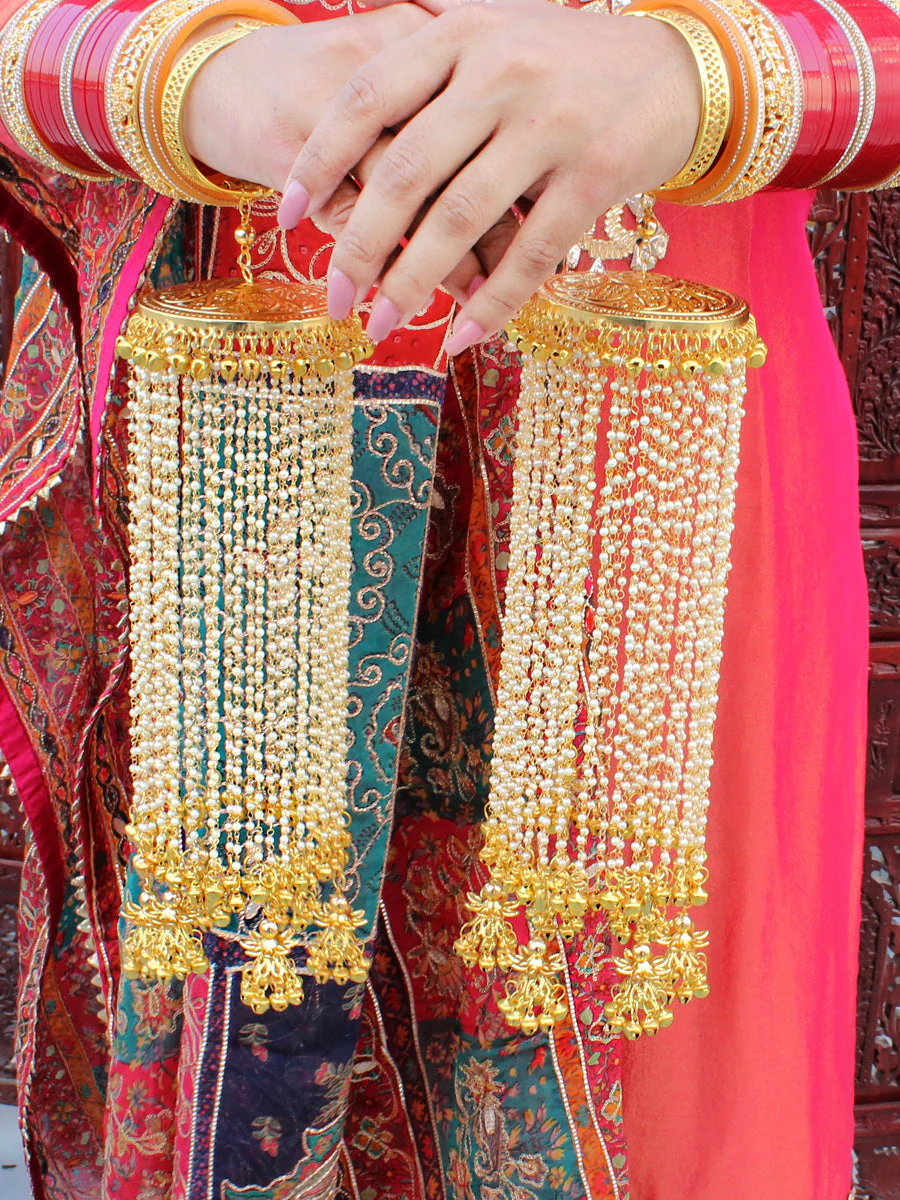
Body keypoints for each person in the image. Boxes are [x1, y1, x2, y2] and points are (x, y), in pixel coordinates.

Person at [0, 0, 880, 1194]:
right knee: (222, 988)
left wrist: (690, 74)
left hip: (646, 499)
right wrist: (188, 80)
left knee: (662, 1068)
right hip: (222, 491)